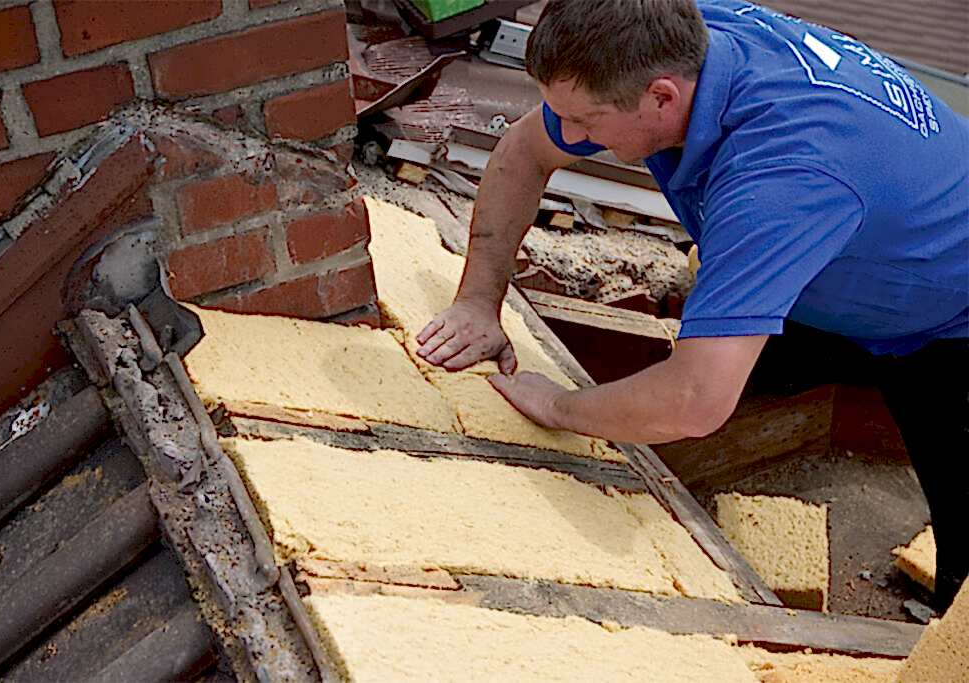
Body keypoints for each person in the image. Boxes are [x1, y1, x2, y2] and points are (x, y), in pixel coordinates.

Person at [414, 0, 968, 610]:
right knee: (734, 370)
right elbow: (525, 151)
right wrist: (476, 302)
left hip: (952, 317)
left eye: (586, 120)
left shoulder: (780, 178)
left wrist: (557, 405)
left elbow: (694, 401)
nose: (570, 136)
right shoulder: (664, 33)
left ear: (662, 98)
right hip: (860, 258)